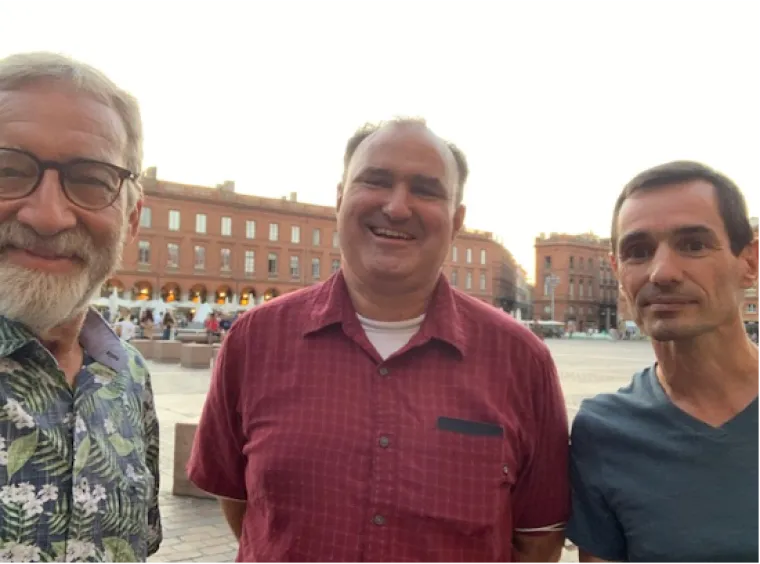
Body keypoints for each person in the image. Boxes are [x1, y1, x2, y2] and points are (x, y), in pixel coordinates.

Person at [188, 118, 569, 564]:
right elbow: (242, 503)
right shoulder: (254, 341)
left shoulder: (520, 360)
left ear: (457, 220)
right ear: (339, 199)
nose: (397, 207)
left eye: (426, 190)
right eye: (376, 181)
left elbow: (537, 539)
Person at [0, 52, 162, 562]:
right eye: (7, 169)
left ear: (131, 219)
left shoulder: (127, 376)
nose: (48, 215)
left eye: (91, 179)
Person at [567, 161, 760, 564]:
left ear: (750, 263)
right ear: (619, 272)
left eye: (693, 245)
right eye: (638, 252)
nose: (663, 272)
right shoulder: (605, 432)